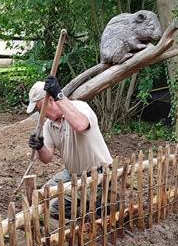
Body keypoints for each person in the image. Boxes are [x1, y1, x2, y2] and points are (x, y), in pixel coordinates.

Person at [27, 77, 113, 217]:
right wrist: (40, 147)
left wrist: (58, 95)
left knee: (55, 208)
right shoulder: (49, 125)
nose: (40, 114)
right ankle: (84, 206)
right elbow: (47, 158)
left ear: (50, 100)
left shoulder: (79, 107)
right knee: (44, 196)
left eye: (39, 109)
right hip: (72, 173)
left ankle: (93, 212)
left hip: (97, 172)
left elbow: (80, 125)